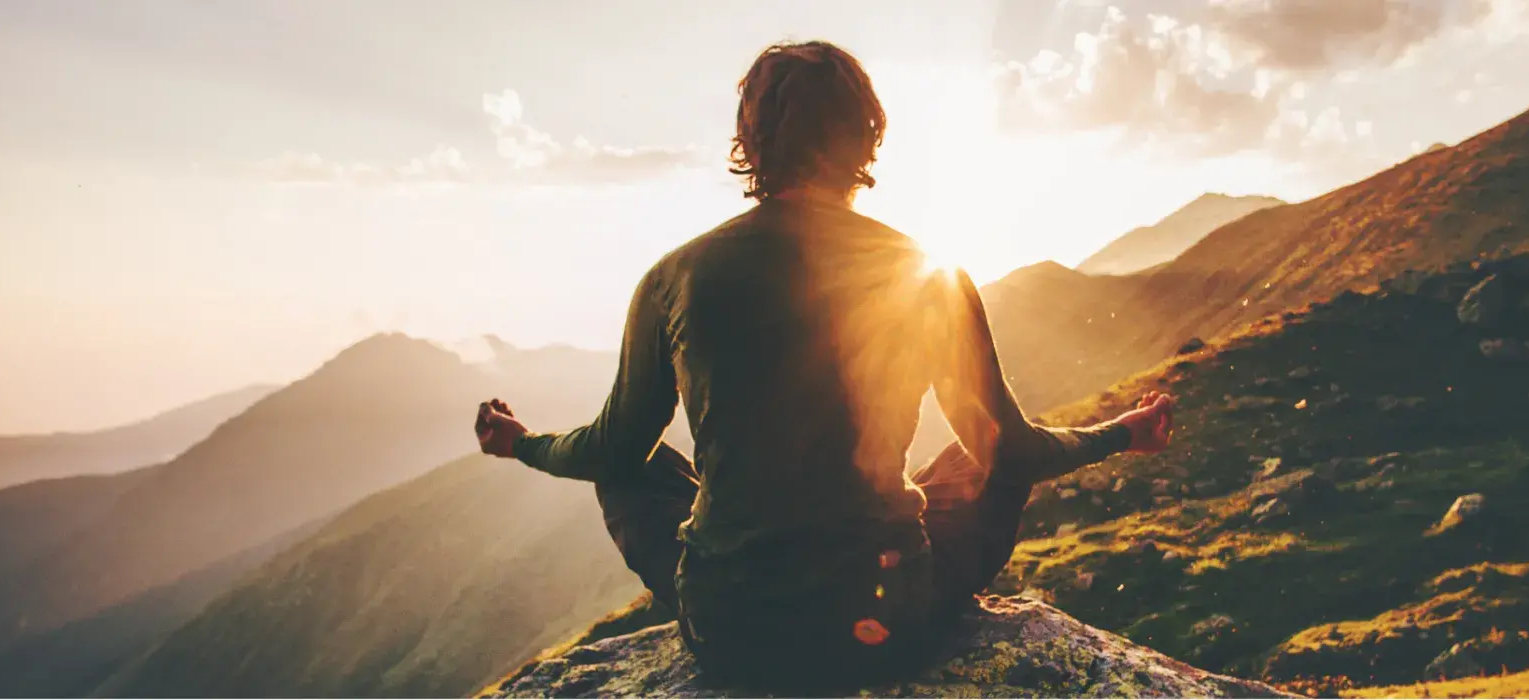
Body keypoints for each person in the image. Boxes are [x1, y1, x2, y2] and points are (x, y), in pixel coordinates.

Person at [473, 40, 1175, 690]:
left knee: (636, 464)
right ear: (867, 133)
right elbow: (1014, 451)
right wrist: (1122, 433)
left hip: (730, 632)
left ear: (751, 139)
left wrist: (522, 443)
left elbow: (608, 449)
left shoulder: (674, 277)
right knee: (978, 457)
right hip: (884, 624)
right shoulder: (927, 273)